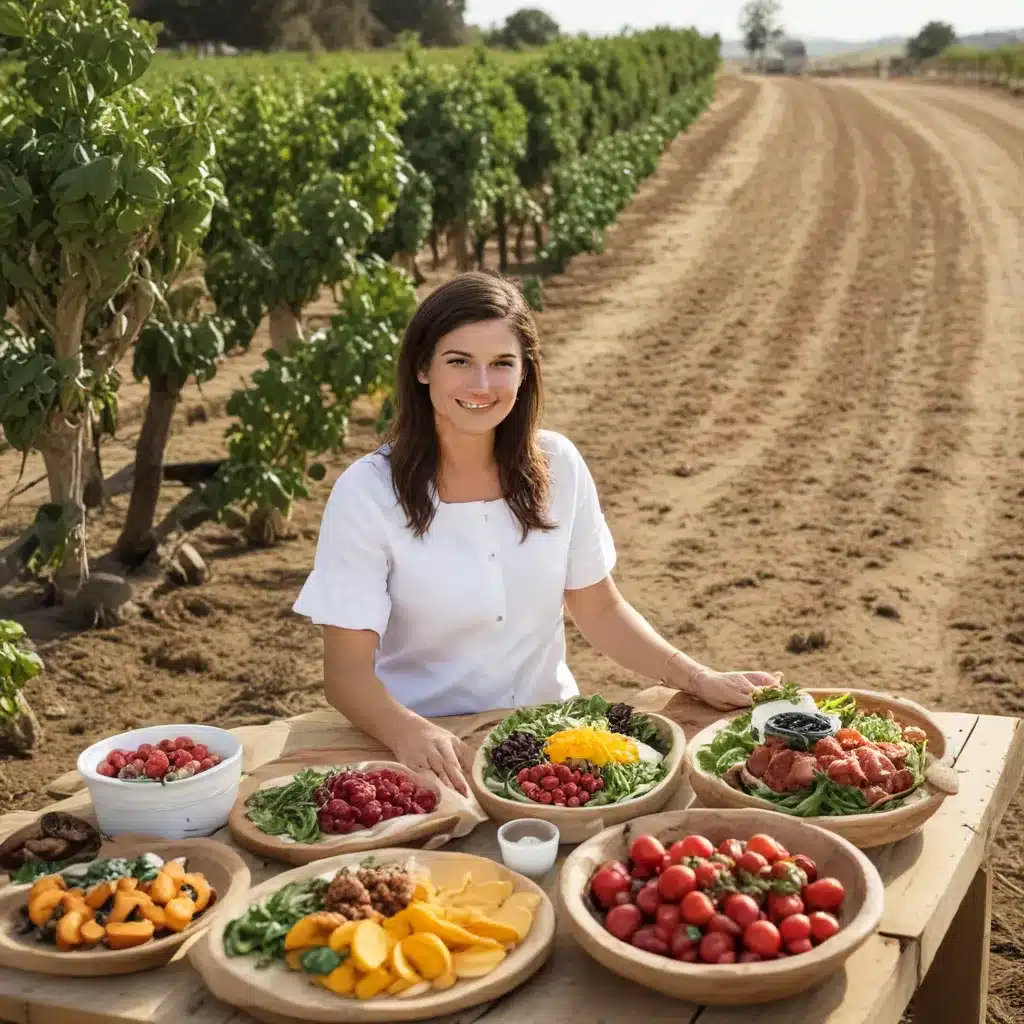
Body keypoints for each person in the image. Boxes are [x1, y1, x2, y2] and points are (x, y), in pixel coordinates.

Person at [293, 272, 780, 795]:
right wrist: (407, 730)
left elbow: (599, 608)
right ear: (421, 369)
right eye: (459, 361)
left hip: (546, 735)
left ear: (526, 373)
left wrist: (696, 676)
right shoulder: (367, 493)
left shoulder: (558, 464)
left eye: (502, 364)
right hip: (424, 745)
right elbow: (345, 675)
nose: (482, 384)